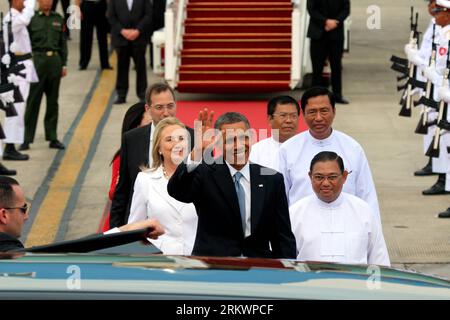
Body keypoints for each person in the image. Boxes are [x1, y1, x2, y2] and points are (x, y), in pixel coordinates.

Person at [167, 111, 297, 258]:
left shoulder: (271, 179)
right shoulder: (205, 173)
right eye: (230, 140)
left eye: (243, 138)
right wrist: (198, 151)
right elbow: (177, 191)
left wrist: (288, 270)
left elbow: (282, 236)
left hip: (258, 268)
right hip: (214, 267)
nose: (239, 146)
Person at [278, 86, 380, 219]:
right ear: (303, 114)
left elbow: (367, 195)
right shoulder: (288, 150)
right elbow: (279, 197)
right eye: (312, 112)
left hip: (346, 224)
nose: (318, 118)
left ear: (334, 111)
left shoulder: (352, 148)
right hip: (302, 227)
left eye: (324, 111)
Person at [0, 176, 164, 252]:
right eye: (23, 209)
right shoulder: (10, 256)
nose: (27, 216)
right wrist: (128, 231)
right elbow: (65, 252)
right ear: (3, 215)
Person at [109, 82, 195, 228]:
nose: (166, 112)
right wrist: (115, 236)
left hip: (184, 226)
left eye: (170, 106)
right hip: (141, 227)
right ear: (148, 109)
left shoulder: (194, 138)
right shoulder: (132, 139)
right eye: (159, 107)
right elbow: (122, 191)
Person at [289, 151, 390, 266]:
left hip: (354, 282)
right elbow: (286, 261)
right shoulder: (295, 213)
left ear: (344, 176)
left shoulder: (363, 211)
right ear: (310, 177)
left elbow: (379, 259)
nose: (326, 183)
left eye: (332, 177)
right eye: (319, 177)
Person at [128, 117, 197, 255]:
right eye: (169, 139)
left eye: (181, 138)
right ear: (158, 148)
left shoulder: (202, 177)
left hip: (198, 260)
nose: (177, 144)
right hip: (160, 263)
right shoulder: (144, 180)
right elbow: (134, 228)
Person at [20, 0, 68, 151]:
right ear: (38, 2)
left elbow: (63, 43)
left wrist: (63, 64)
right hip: (37, 62)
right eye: (44, 0)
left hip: (54, 61)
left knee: (53, 102)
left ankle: (52, 137)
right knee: (33, 101)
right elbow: (24, 42)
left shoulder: (58, 18)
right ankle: (26, 138)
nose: (47, 2)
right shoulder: (31, 19)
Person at [100, 102, 152, 232]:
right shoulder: (123, 156)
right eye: (149, 126)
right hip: (125, 224)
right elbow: (114, 193)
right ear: (135, 128)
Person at [2, 0, 39, 161]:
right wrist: (31, 3)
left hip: (21, 68)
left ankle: (11, 145)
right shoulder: (11, 18)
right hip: (17, 71)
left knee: (18, 109)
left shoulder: (15, 17)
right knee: (15, 109)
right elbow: (26, 19)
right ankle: (9, 146)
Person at [108, 0, 152, 104]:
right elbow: (111, 16)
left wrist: (138, 30)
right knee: (122, 67)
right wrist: (123, 31)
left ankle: (142, 95)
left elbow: (148, 15)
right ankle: (121, 94)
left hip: (139, 38)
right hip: (121, 39)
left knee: (141, 67)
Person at [307, 0, 350, 104]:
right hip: (318, 33)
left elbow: (346, 10)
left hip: (336, 33)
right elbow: (311, 9)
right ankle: (315, 96)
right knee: (317, 68)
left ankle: (337, 95)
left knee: (336, 66)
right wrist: (325, 21)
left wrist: (335, 22)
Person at [249, 95, 300, 172]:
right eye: (283, 115)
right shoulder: (256, 152)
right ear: (270, 119)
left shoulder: (308, 148)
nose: (289, 120)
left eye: (293, 116)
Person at [75, 0, 112, 70]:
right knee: (85, 37)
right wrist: (77, 8)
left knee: (103, 37)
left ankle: (105, 63)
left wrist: (110, 7)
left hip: (101, 5)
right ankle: (84, 62)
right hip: (87, 5)